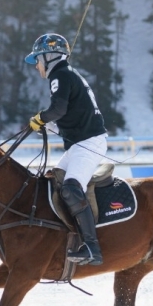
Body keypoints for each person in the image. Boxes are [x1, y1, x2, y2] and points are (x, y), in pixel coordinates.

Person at [24, 33, 107, 266]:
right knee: (54, 183)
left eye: (38, 60)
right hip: (78, 144)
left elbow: (58, 108)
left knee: (71, 189)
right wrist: (47, 124)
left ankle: (92, 247)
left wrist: (41, 118)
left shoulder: (59, 75)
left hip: (89, 142)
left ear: (49, 56)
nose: (37, 66)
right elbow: (67, 113)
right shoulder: (65, 75)